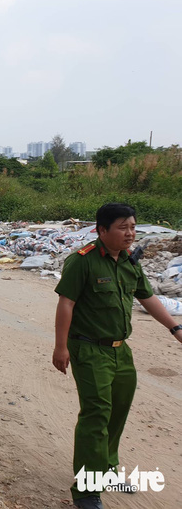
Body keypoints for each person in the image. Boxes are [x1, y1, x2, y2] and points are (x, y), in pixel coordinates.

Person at [52, 203, 182, 509]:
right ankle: (86, 490)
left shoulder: (128, 263)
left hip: (120, 351)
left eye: (133, 227)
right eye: (123, 228)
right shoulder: (82, 262)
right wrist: (60, 347)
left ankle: (106, 470)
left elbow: (147, 297)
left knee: (116, 413)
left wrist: (175, 327)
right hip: (88, 348)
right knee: (96, 415)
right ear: (102, 230)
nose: (130, 234)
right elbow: (66, 304)